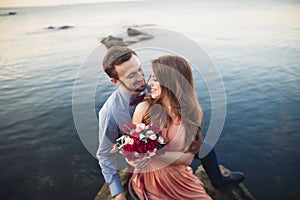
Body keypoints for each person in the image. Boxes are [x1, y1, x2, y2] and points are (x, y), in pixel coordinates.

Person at [96, 46, 244, 200]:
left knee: (206, 149)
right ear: (115, 81)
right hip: (144, 158)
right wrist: (118, 192)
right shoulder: (109, 113)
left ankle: (219, 182)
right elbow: (105, 154)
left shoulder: (155, 87)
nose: (141, 78)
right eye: (132, 75)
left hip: (171, 140)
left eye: (140, 69)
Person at [128, 55, 212, 199]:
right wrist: (135, 156)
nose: (149, 83)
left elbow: (187, 159)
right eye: (151, 78)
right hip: (151, 180)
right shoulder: (143, 109)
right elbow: (131, 153)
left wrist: (153, 153)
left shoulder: (193, 113)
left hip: (179, 177)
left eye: (155, 79)